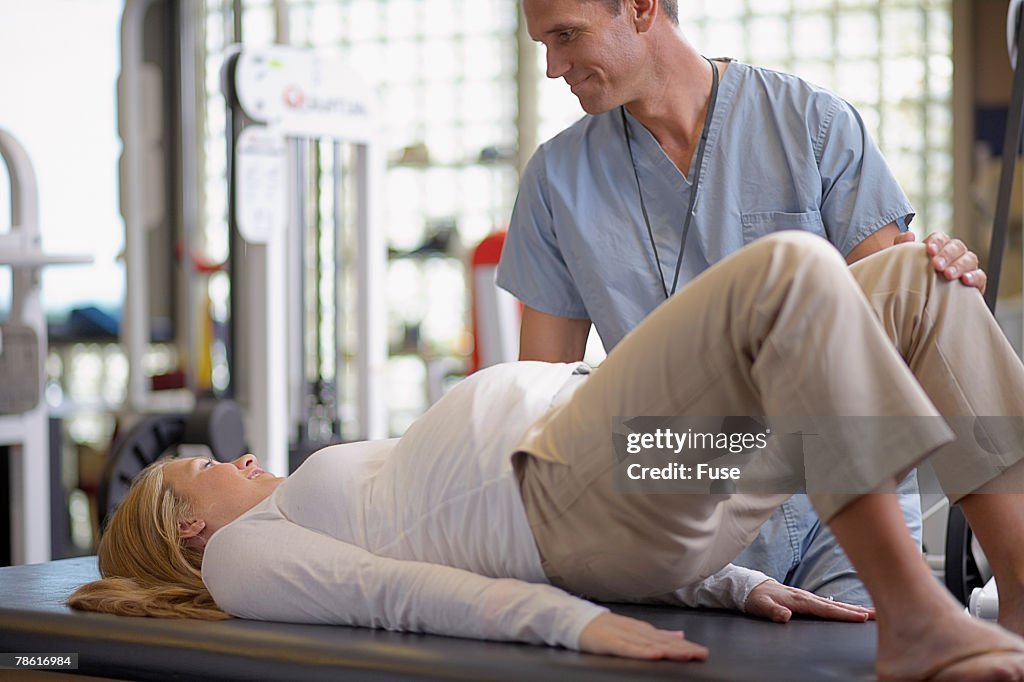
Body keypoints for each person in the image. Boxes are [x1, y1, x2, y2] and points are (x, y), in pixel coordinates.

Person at [71, 234, 1024, 680]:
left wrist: (727, 586)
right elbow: (393, 597)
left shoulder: (293, 505)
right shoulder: (241, 558)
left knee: (916, 283)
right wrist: (567, 626)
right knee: (790, 269)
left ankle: (1019, 602)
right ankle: (918, 623)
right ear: (188, 526)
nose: (233, 462)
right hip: (563, 488)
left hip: (640, 470)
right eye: (202, 469)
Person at [496, 0, 987, 605]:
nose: (552, 67)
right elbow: (540, 399)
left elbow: (891, 341)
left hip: (840, 502)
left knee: (931, 282)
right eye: (543, 43)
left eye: (567, 36)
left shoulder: (813, 123)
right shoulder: (556, 180)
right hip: (679, 507)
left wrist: (936, 278)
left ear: (643, 8)